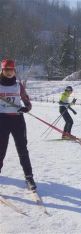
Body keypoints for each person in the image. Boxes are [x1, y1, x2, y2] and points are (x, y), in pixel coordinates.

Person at [0, 59, 37, 190]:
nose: (9, 72)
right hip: (2, 120)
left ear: (14, 70)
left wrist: (26, 107)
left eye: (11, 69)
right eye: (6, 70)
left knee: (22, 149)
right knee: (0, 150)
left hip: (17, 120)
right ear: (2, 70)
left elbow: (27, 101)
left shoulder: (18, 85)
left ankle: (29, 178)